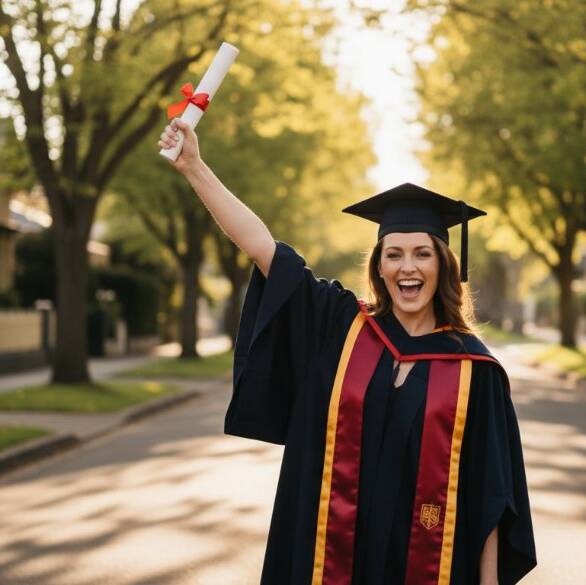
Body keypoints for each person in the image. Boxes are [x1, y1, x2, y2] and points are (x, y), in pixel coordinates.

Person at [157, 119, 537, 585]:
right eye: (393, 254)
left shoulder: (474, 370)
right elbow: (264, 249)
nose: (407, 267)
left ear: (443, 263)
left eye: (422, 253)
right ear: (378, 265)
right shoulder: (342, 326)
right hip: (328, 560)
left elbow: (491, 498)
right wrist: (195, 167)